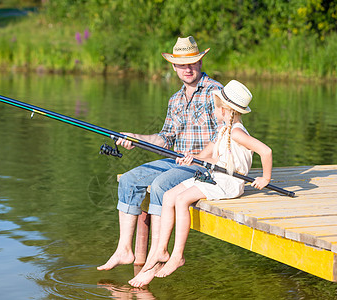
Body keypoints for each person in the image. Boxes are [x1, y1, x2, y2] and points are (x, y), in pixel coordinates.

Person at [128, 80, 273, 287]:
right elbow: (216, 160)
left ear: (225, 110)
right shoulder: (225, 130)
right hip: (217, 176)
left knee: (181, 200)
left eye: (215, 107)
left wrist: (265, 178)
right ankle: (161, 249)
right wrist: (193, 158)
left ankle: (178, 255)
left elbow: (266, 151)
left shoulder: (236, 132)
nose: (213, 110)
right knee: (170, 196)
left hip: (229, 183)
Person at [97, 36, 223, 271]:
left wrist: (198, 155)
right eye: (182, 64)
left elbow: (224, 135)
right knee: (128, 180)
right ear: (174, 66)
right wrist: (136, 138)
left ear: (200, 62)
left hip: (204, 164)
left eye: (192, 62)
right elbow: (165, 139)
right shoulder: (174, 100)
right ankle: (124, 250)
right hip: (177, 162)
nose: (187, 68)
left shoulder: (215, 92)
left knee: (160, 185)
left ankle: (158, 252)